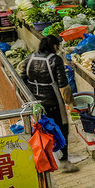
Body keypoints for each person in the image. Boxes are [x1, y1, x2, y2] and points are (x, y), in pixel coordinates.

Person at [21, 36, 72, 167]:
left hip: (36, 104)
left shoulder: (29, 59)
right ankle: (63, 159)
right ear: (54, 46)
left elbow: (23, 81)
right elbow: (63, 85)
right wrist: (70, 103)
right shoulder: (55, 60)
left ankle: (47, 158)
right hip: (53, 102)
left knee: (43, 130)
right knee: (61, 129)